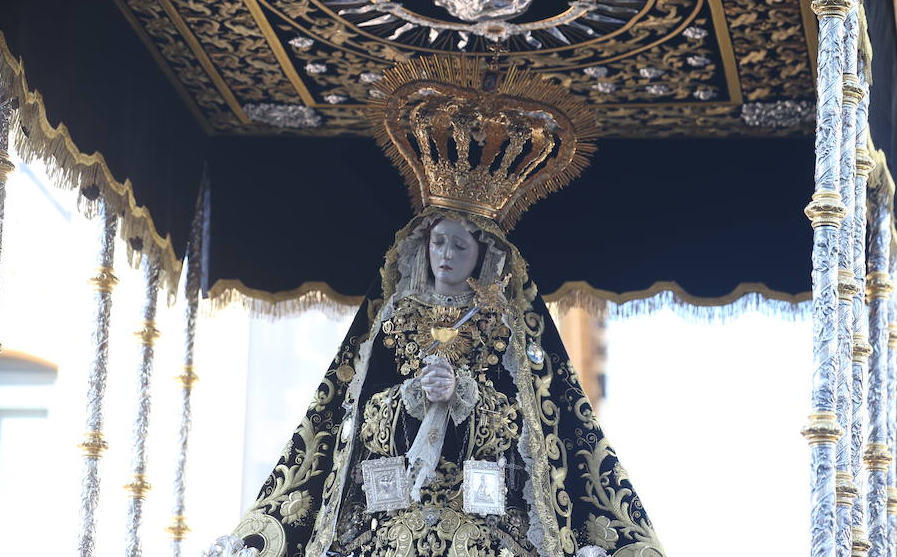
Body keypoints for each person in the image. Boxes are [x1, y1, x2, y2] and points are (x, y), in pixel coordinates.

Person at [205, 56, 664, 557]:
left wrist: (465, 396)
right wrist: (411, 398)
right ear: (422, 244)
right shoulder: (394, 320)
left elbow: (533, 428)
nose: (446, 255)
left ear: (483, 254)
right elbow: (352, 419)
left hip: (487, 521)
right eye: (438, 242)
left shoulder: (507, 328)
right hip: (392, 519)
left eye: (459, 247)